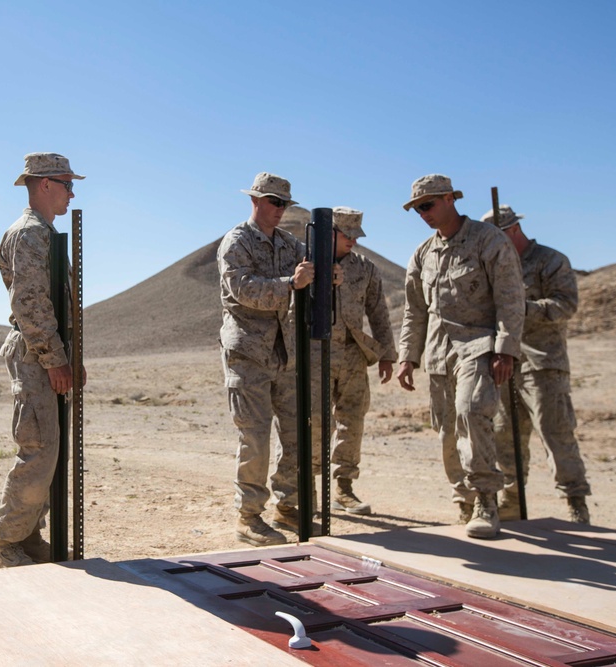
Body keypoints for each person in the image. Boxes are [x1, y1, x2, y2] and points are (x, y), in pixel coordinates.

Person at [396, 174, 524, 539]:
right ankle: (463, 500)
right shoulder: (423, 254)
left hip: (479, 347)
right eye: (417, 209)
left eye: (428, 205)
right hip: (439, 351)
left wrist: (506, 349)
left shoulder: (489, 241)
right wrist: (409, 356)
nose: (423, 213)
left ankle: (486, 498)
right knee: (448, 431)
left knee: (472, 413)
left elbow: (510, 298)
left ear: (451, 198)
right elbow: (414, 311)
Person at [218, 172, 340, 547]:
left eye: (284, 204)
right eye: (274, 202)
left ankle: (290, 507)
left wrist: (326, 277)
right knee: (255, 436)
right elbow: (242, 290)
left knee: (297, 432)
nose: (279, 209)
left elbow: (310, 277)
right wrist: (291, 284)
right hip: (248, 354)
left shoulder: (290, 244)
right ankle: (249, 517)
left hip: (285, 353)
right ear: (255, 200)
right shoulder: (236, 242)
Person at [0, 152, 85, 569]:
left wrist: (69, 356)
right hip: (36, 356)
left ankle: (28, 538)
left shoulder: (44, 233)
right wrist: (55, 358)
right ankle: (7, 544)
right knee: (39, 450)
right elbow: (30, 305)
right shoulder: (29, 233)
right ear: (45, 185)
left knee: (48, 450)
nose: (71, 192)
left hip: (45, 354)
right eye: (67, 184)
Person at [482, 204, 592, 524]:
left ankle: (576, 502)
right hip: (504, 362)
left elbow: (565, 305)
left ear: (513, 230)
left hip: (543, 363)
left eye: (497, 237)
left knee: (555, 432)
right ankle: (513, 500)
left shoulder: (550, 260)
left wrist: (519, 309)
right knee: (505, 435)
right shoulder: (495, 266)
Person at [319, 207, 397, 515]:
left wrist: (387, 355)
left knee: (352, 421)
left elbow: (378, 313)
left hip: (353, 355)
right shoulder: (307, 263)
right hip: (317, 353)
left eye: (356, 235)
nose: (352, 240)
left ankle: (344, 488)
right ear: (330, 233)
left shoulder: (365, 268)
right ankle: (307, 492)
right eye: (346, 234)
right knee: (314, 422)